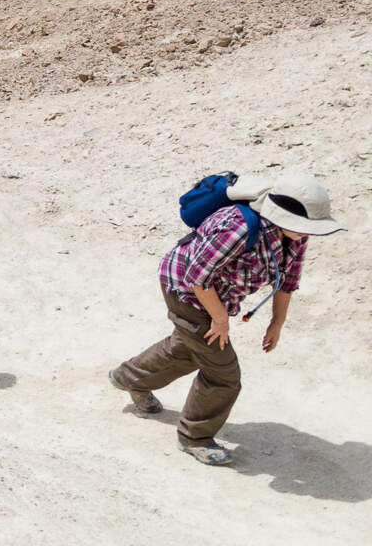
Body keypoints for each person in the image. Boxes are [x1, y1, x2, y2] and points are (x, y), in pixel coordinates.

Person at [109, 173, 342, 466]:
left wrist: (277, 322)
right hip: (185, 291)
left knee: (189, 349)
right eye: (306, 226)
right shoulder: (239, 227)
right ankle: (195, 438)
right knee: (223, 374)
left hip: (212, 295)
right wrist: (220, 320)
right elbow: (197, 277)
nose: (309, 233)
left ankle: (128, 378)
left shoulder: (294, 235)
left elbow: (288, 280)